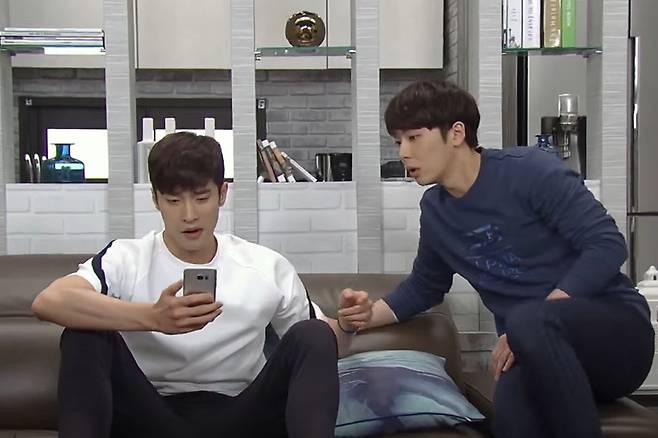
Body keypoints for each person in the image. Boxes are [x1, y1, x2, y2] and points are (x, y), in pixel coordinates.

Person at [339, 80, 655, 438]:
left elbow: (607, 244)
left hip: (616, 339)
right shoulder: (436, 211)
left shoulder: (530, 171)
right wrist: (365, 316)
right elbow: (424, 287)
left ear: (456, 133)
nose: (403, 153)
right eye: (399, 142)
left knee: (526, 320)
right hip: (532, 352)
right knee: (511, 415)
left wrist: (530, 323)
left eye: (414, 138)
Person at [31, 132, 372, 438]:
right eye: (173, 201)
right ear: (156, 199)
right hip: (149, 414)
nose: (189, 215)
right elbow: (49, 301)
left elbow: (321, 345)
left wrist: (346, 324)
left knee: (314, 332)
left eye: (201, 197)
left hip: (242, 416)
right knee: (84, 332)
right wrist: (152, 318)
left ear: (222, 193)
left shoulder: (265, 265)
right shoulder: (126, 257)